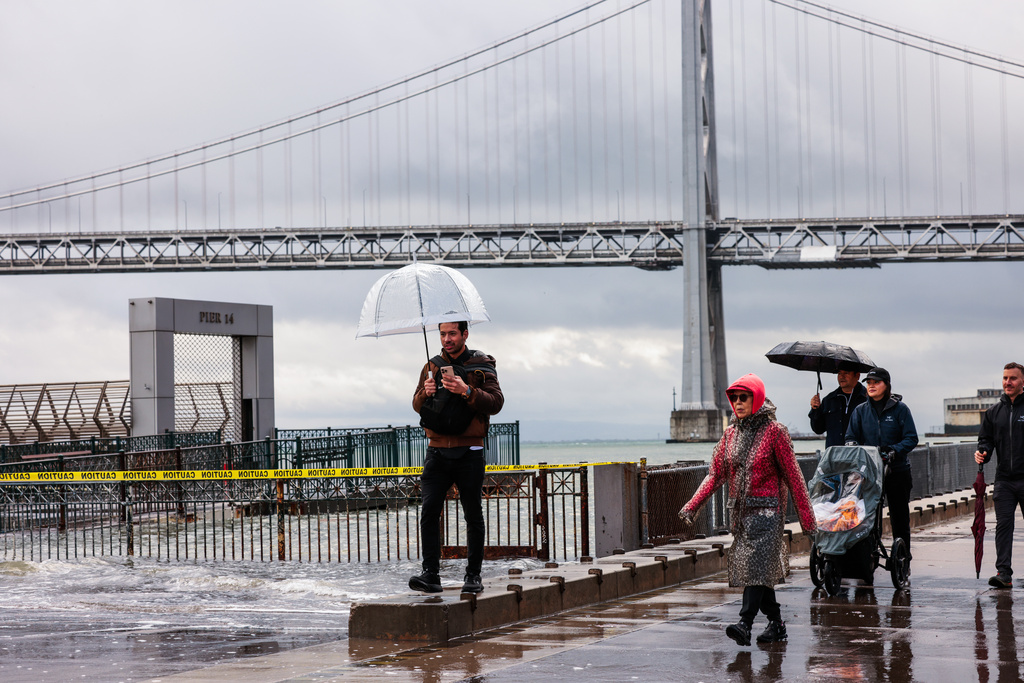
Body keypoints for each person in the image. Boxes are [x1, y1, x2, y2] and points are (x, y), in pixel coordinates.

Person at [678, 373, 816, 646]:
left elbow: (794, 477)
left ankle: (745, 623)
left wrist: (808, 522)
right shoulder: (730, 434)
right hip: (741, 517)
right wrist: (691, 506)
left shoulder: (775, 432)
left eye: (744, 397)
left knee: (755, 569)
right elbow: (715, 475)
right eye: (734, 398)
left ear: (758, 398)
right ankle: (777, 625)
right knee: (760, 572)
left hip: (769, 515)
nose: (738, 402)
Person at [409, 321, 503, 594]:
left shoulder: (482, 365)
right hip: (436, 451)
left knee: (473, 515)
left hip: (469, 452)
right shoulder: (431, 366)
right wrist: (424, 393)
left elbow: (496, 403)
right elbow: (416, 405)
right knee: (428, 512)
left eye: (452, 333)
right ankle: (430, 575)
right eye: (442, 334)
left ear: (465, 334)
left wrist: (467, 391)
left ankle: (473, 576)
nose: (447, 339)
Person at [845, 367, 918, 558]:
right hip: (868, 473)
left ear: (886, 385)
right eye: (869, 383)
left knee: (899, 517)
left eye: (876, 382)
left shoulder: (901, 409)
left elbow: (911, 438)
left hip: (896, 471)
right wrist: (854, 448)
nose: (871, 386)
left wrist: (893, 450)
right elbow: (850, 437)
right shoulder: (860, 411)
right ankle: (867, 555)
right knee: (867, 515)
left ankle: (903, 558)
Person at [975, 362, 1024, 588]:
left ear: (1022, 381)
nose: (1008, 382)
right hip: (1004, 479)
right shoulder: (993, 412)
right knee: (1003, 526)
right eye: (1005, 378)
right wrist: (983, 452)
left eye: (1013, 378)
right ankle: (1003, 573)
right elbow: (985, 440)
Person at [809, 365, 868, 448]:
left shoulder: (867, 399)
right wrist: (815, 409)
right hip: (835, 453)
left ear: (857, 376)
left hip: (860, 452)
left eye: (846, 373)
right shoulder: (829, 399)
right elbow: (818, 429)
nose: (842, 376)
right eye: (839, 373)